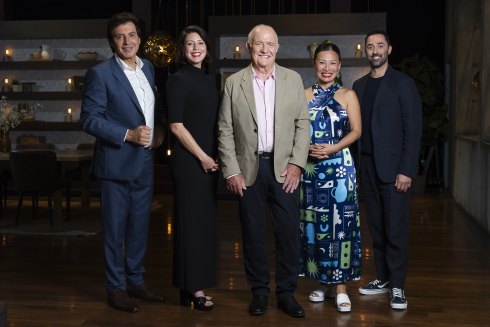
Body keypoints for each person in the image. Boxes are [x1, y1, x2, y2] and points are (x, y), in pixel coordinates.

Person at [218, 24, 310, 318]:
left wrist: (297, 163)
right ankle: (259, 291)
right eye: (259, 44)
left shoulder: (293, 79)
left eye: (270, 44)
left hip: (284, 168)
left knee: (287, 233)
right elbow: (225, 129)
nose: (265, 49)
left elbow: (302, 125)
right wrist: (231, 170)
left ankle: (286, 293)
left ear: (278, 48)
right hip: (248, 169)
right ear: (249, 47)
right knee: (253, 232)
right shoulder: (234, 82)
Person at [80, 12, 166, 313]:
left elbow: (148, 110)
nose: (126, 41)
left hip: (144, 162)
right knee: (115, 230)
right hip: (115, 163)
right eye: (119, 36)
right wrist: (127, 134)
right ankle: (115, 289)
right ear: (112, 42)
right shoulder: (101, 73)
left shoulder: (149, 68)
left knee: (139, 227)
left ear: (139, 39)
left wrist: (158, 133)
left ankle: (136, 282)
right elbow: (89, 119)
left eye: (131, 35)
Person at [352, 30, 422, 310]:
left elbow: (413, 130)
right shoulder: (359, 86)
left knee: (395, 230)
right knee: (377, 230)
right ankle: (382, 278)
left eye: (380, 45)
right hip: (366, 167)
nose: (375, 50)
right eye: (370, 46)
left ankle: (397, 287)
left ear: (389, 49)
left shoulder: (403, 84)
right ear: (366, 51)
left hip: (394, 170)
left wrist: (406, 170)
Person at [299, 41, 362, 313]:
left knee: (341, 229)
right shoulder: (303, 95)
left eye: (332, 63)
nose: (327, 68)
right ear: (314, 65)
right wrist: (307, 150)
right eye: (322, 62)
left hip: (340, 169)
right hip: (312, 169)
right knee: (314, 226)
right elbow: (295, 130)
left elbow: (357, 131)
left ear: (339, 66)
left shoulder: (348, 94)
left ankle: (340, 287)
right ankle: (322, 282)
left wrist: (333, 148)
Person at [166, 25, 219, 311]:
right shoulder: (178, 79)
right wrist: (202, 156)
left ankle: (191, 286)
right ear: (182, 50)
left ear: (206, 48)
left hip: (208, 162)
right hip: (190, 162)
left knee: (202, 225)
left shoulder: (210, 80)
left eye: (200, 43)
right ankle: (193, 290)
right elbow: (176, 125)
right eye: (190, 44)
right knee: (190, 224)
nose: (196, 48)